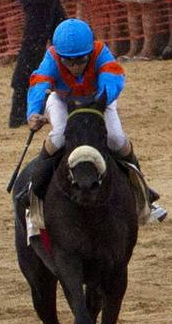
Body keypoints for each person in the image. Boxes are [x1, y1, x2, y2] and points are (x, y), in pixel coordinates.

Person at [24, 18, 165, 220]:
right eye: (68, 61)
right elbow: (39, 83)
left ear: (90, 51)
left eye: (81, 59)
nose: (74, 66)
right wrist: (33, 113)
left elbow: (113, 78)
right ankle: (34, 193)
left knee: (116, 138)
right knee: (58, 137)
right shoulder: (51, 57)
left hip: (99, 100)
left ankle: (143, 196)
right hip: (63, 101)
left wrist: (97, 101)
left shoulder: (101, 52)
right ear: (58, 54)